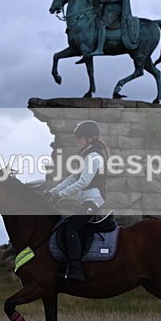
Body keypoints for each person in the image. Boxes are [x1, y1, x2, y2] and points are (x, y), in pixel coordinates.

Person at [45, 120, 108, 282]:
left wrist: (60, 195)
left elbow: (83, 182)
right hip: (87, 201)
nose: (77, 140)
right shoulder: (86, 156)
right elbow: (72, 178)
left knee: (71, 229)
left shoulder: (94, 157)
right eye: (77, 137)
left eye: (80, 137)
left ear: (91, 138)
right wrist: (52, 192)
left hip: (94, 200)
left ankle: (75, 269)